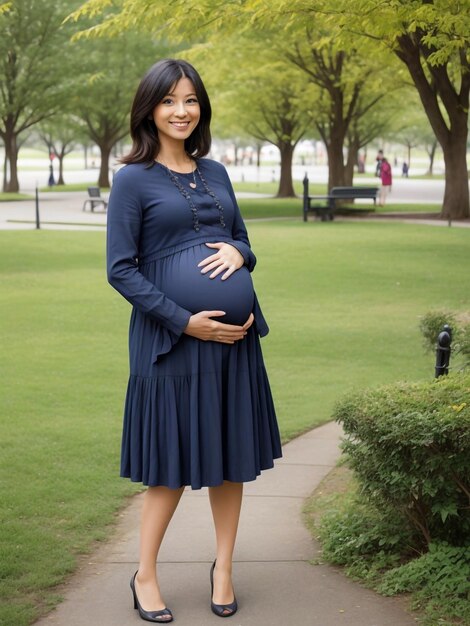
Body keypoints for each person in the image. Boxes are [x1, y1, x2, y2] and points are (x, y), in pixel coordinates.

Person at [106, 58, 282, 623]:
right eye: (169, 101)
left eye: (190, 100)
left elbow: (242, 239)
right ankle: (145, 574)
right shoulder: (132, 179)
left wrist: (241, 254)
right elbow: (121, 269)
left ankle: (224, 568)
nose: (181, 111)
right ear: (150, 109)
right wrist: (185, 321)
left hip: (235, 344)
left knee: (229, 460)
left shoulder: (218, 172)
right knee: (170, 467)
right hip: (171, 343)